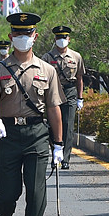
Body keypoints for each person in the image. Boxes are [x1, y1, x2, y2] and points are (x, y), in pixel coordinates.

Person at [0, 12, 64, 216]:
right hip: (8, 133)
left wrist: (59, 144)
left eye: (26, 33)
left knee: (37, 194)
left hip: (37, 135)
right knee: (6, 195)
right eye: (17, 33)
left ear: (35, 36)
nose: (22, 38)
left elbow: (53, 108)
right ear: (10, 36)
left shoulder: (47, 70)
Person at [41, 26, 85, 169]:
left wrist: (80, 97)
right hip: (53, 91)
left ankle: (65, 158)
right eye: (59, 37)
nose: (62, 40)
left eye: (64, 37)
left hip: (70, 91)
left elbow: (79, 78)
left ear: (69, 39)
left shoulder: (76, 56)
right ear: (55, 39)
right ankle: (55, 154)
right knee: (53, 125)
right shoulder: (47, 57)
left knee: (68, 125)